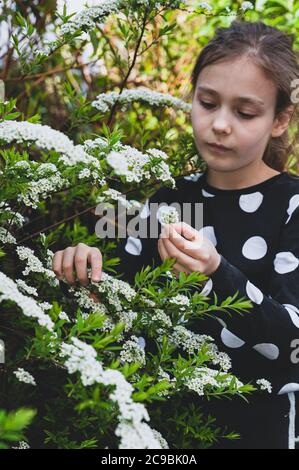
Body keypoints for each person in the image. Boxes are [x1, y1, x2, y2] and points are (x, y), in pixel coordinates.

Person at [52, 20, 299, 449]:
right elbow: (108, 288)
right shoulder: (167, 196)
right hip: (157, 429)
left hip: (260, 431)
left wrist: (218, 271)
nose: (221, 124)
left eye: (244, 112)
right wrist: (80, 261)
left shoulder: (292, 205)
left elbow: (293, 340)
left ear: (280, 120)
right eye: (207, 103)